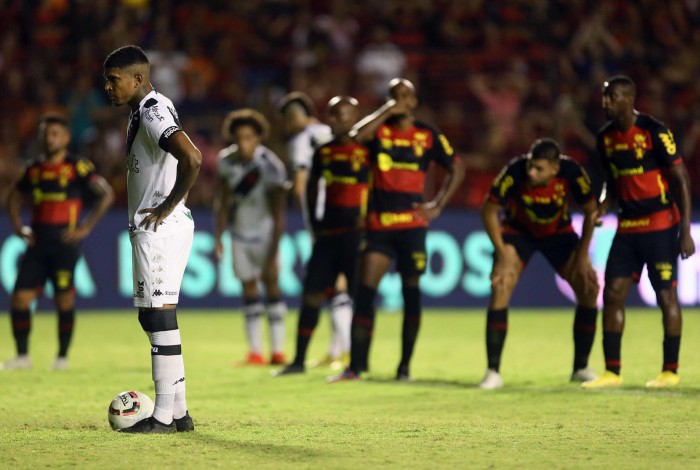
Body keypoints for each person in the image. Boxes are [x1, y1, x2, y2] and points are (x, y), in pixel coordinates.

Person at [330, 78, 464, 382]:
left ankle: (404, 369)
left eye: (406, 96)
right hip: (379, 225)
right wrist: (388, 109)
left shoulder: (428, 134)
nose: (401, 101)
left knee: (411, 296)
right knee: (365, 295)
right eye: (394, 96)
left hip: (412, 226)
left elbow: (458, 167)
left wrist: (439, 204)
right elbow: (355, 135)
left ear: (415, 102)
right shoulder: (380, 132)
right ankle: (356, 367)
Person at [103, 45, 201, 433]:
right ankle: (179, 413)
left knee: (159, 315)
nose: (108, 88)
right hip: (158, 227)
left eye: (114, 80)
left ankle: (161, 417)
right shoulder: (145, 110)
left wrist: (168, 206)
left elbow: (191, 158)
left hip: (160, 228)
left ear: (137, 79)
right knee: (154, 315)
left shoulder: (152, 110)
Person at [582, 75, 695, 389]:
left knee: (666, 296)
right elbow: (612, 179)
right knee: (613, 294)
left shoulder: (654, 132)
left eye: (611, 97)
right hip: (627, 227)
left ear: (628, 99)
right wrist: (604, 204)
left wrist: (684, 230)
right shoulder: (605, 137)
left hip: (660, 226)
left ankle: (670, 371)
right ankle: (612, 372)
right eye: (604, 96)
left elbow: (681, 178)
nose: (605, 102)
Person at [478, 138, 600, 390]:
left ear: (555, 168)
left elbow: (591, 211)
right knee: (501, 285)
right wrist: (501, 254)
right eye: (531, 166)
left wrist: (582, 255)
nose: (531, 172)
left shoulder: (571, 173)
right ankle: (493, 372)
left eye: (539, 169)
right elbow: (488, 211)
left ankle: (580, 367)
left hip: (558, 235)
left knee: (589, 287)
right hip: (518, 233)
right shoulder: (515, 171)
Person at [2, 114, 114, 371]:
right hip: (37, 244)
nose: (48, 138)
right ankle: (22, 357)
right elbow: (12, 197)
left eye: (54, 134)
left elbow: (105, 195)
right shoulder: (33, 168)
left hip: (65, 244)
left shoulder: (78, 167)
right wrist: (18, 227)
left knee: (64, 301)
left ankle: (62, 357)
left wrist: (85, 227)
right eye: (45, 133)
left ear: (66, 138)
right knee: (20, 299)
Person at [275, 96, 369, 376]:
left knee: (356, 298)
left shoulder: (366, 152)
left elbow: (374, 186)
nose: (337, 121)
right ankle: (299, 361)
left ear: (355, 117)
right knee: (312, 296)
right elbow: (314, 188)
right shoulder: (323, 152)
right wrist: (317, 226)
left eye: (344, 115)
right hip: (328, 235)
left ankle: (356, 364)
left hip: (355, 235)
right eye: (334, 115)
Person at [213, 109, 288, 366]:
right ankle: (255, 352)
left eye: (249, 137)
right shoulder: (225, 161)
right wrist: (219, 234)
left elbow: (279, 213)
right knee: (248, 288)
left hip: (266, 234)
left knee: (272, 285)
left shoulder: (271, 165)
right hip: (239, 235)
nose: (244, 142)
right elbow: (222, 200)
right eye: (239, 138)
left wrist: (274, 246)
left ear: (258, 138)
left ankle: (278, 351)